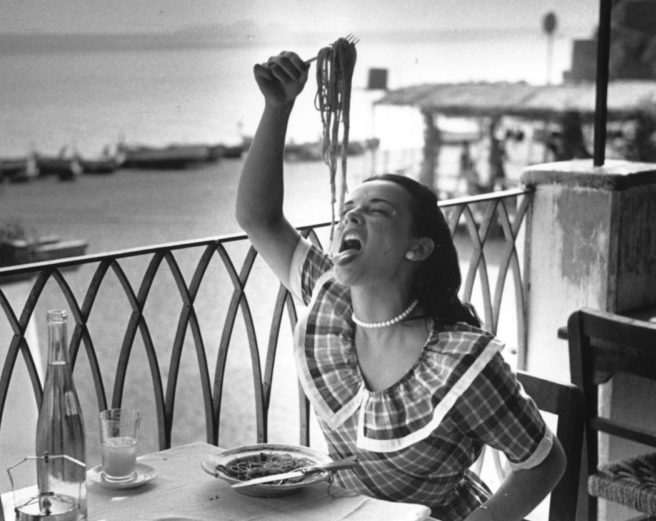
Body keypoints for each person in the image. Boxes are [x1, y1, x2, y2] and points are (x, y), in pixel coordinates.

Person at [235, 50, 565, 521]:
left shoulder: (459, 363)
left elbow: (544, 463)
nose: (352, 217)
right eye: (349, 210)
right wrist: (277, 107)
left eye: (377, 211)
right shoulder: (332, 302)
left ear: (418, 248)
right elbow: (259, 218)